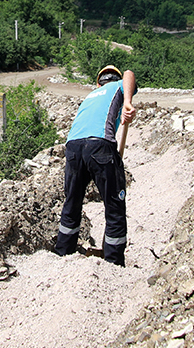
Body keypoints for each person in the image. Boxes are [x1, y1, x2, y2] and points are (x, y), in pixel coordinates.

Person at [54, 64, 137, 266]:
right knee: (114, 205)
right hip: (99, 145)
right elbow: (129, 74)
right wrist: (127, 101)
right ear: (116, 80)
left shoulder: (90, 96)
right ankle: (113, 263)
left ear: (98, 83)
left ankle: (63, 253)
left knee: (72, 202)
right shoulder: (117, 86)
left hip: (73, 148)